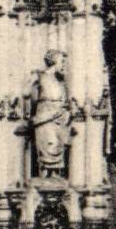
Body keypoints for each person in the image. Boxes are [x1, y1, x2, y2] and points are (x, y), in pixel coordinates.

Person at [29, 49, 72, 177]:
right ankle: (46, 175)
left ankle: (54, 175)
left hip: (59, 119)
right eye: (62, 61)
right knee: (49, 145)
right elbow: (28, 95)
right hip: (45, 118)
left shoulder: (60, 82)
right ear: (53, 61)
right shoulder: (40, 76)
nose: (64, 65)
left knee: (58, 146)